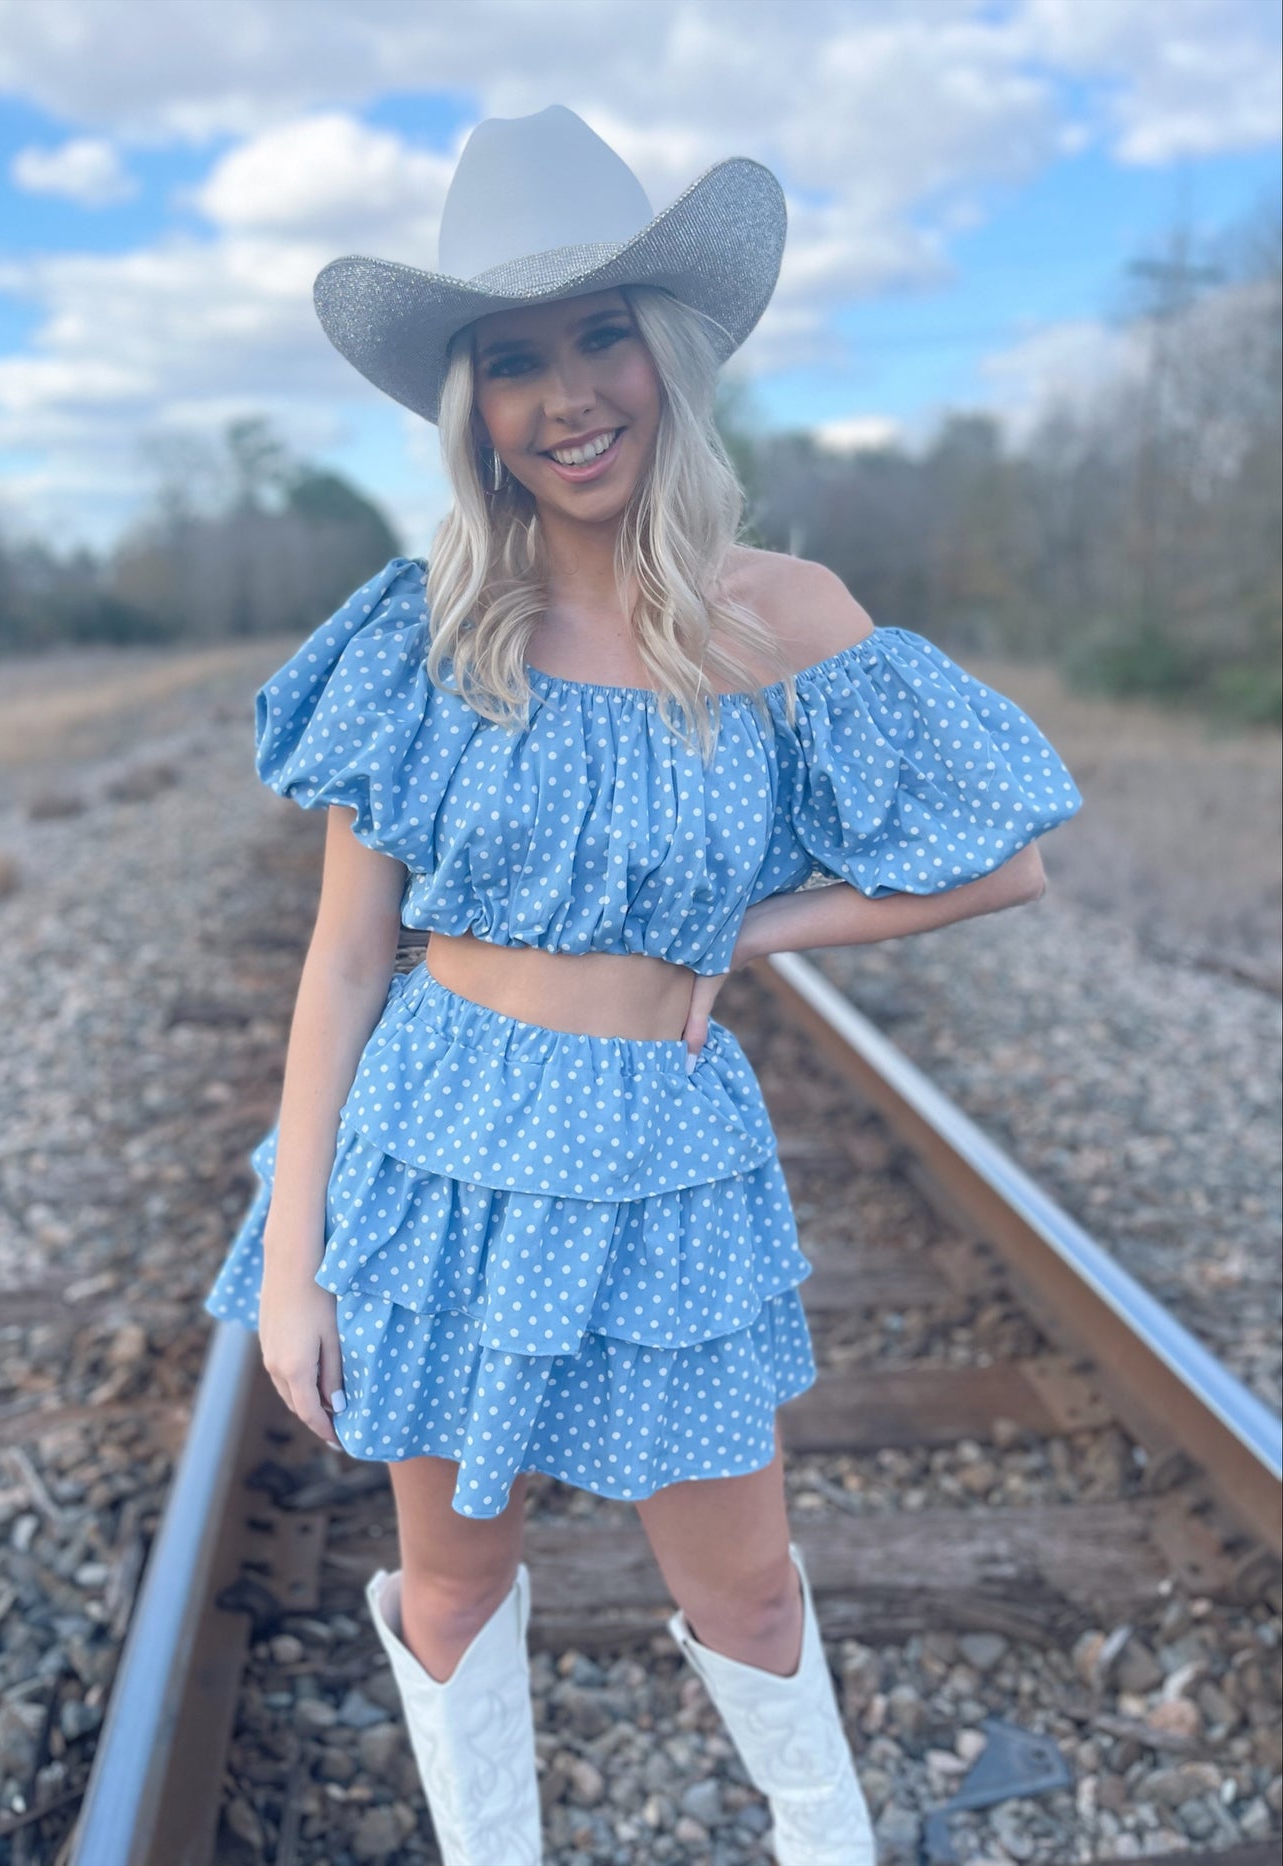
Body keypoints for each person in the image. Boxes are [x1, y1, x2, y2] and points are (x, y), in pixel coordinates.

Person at [203, 105, 1081, 1866]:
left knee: (749, 1592)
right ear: (475, 407)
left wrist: (752, 934)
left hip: (661, 1161)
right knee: (455, 1583)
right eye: (515, 359)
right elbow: (348, 955)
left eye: (602, 332)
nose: (567, 391)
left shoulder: (783, 615)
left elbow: (1007, 852)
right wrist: (293, 1263)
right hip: (436, 1155)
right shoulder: (427, 628)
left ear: (665, 352)